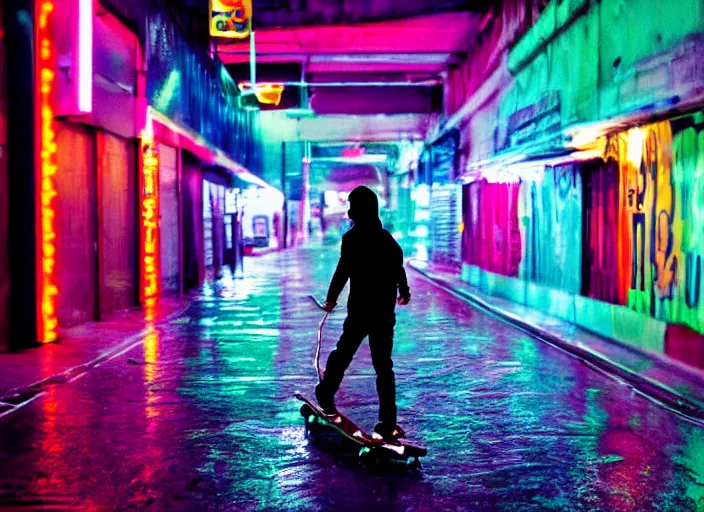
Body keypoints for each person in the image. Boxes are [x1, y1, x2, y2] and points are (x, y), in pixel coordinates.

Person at [315, 186, 411, 441]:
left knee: (343, 353)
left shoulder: (352, 239)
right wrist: (404, 291)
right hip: (383, 312)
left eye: (352, 205)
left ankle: (325, 392)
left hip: (360, 310)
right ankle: (388, 422)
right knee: (384, 367)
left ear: (358, 209)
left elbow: (342, 271)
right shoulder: (387, 239)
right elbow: (397, 268)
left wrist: (331, 299)